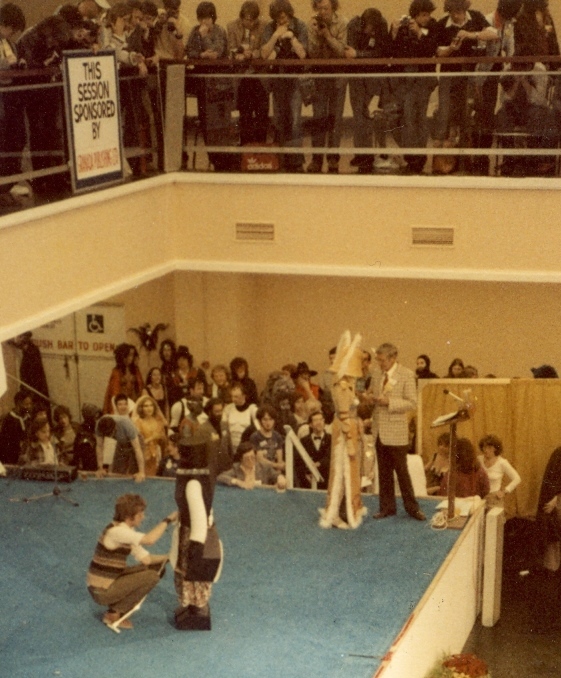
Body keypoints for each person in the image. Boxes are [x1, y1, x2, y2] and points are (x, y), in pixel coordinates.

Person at [87, 493, 177, 629]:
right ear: (129, 517)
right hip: (101, 590)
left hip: (109, 581)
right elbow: (149, 540)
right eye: (140, 514)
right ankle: (113, 615)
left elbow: (147, 560)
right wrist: (168, 520)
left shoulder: (125, 531)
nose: (143, 517)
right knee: (151, 576)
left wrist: (170, 556)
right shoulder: (117, 532)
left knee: (155, 568)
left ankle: (115, 610)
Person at [172, 406, 221, 629]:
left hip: (194, 535)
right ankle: (196, 605)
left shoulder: (192, 483)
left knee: (192, 573)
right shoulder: (202, 477)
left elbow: (199, 519)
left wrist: (195, 548)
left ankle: (197, 607)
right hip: (198, 531)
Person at [433, 0, 498, 162]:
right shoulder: (442, 24)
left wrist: (470, 35)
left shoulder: (476, 17)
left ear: (465, 9)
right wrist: (451, 48)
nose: (456, 16)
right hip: (449, 75)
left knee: (466, 114)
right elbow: (438, 52)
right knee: (445, 113)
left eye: (459, 12)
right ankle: (442, 159)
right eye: (452, 12)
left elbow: (494, 34)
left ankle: (464, 157)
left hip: (470, 75)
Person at [368, 342, 426, 521]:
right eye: (378, 360)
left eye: (383, 360)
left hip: (397, 432)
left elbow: (412, 402)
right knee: (383, 473)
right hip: (379, 430)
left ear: (393, 358)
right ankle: (387, 508)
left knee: (402, 473)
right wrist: (369, 398)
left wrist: (390, 403)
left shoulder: (406, 374)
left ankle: (412, 508)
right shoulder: (376, 373)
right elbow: (372, 393)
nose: (380, 364)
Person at [319, 331, 367, 529]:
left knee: (349, 473)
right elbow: (344, 415)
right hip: (344, 433)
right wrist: (349, 443)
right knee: (340, 472)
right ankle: (336, 513)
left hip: (348, 430)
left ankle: (347, 509)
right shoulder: (341, 387)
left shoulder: (346, 385)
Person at [390, 0, 439, 175]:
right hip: (406, 79)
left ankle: (419, 157)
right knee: (407, 117)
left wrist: (419, 33)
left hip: (423, 79)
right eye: (423, 15)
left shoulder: (433, 26)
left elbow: (430, 49)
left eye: (428, 15)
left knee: (419, 118)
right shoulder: (404, 27)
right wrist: (394, 32)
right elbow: (393, 52)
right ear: (414, 15)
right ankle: (411, 156)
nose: (427, 18)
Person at [261, 0, 308, 173]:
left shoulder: (300, 26)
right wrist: (276, 35)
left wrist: (292, 38)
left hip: (295, 78)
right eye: (279, 18)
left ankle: (295, 160)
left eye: (285, 17)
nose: (282, 21)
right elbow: (264, 54)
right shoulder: (270, 27)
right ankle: (279, 158)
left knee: (295, 119)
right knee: (279, 119)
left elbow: (303, 54)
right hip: (277, 79)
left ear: (290, 14)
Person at [344, 8, 390, 174]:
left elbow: (381, 52)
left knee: (371, 115)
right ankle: (362, 154)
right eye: (369, 27)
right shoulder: (353, 25)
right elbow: (349, 52)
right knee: (358, 115)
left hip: (374, 76)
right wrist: (359, 54)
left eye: (374, 28)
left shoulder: (382, 24)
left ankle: (372, 153)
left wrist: (359, 54)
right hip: (356, 76)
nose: (371, 31)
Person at [306, 0, 348, 175]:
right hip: (319, 76)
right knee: (319, 117)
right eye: (320, 8)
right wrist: (318, 35)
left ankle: (333, 158)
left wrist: (328, 36)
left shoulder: (342, 22)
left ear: (333, 8)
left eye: (326, 8)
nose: (323, 12)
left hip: (338, 76)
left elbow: (342, 51)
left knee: (335, 118)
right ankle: (316, 158)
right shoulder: (311, 24)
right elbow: (312, 53)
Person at [227, 1, 268, 147]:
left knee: (262, 113)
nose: (249, 23)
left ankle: (261, 149)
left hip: (259, 75)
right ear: (241, 17)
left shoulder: (264, 26)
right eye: (246, 19)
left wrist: (253, 54)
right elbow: (230, 49)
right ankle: (245, 148)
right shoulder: (232, 26)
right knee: (244, 114)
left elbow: (265, 49)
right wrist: (238, 54)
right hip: (241, 76)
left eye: (252, 20)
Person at [0, 3, 26, 211]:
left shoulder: (10, 44)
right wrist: (7, 64)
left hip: (11, 99)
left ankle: (7, 186)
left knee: (16, 139)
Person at [217, 440, 286, 489]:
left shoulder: (264, 467)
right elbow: (220, 477)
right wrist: (237, 482)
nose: (250, 461)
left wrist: (280, 478)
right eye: (247, 459)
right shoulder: (236, 468)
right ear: (241, 459)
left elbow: (277, 475)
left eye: (252, 457)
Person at [95, 413, 145, 480]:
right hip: (120, 442)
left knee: (136, 473)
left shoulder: (126, 424)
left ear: (115, 427)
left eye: (110, 434)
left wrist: (141, 472)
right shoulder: (99, 426)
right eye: (107, 435)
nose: (109, 436)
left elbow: (137, 449)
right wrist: (100, 468)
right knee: (117, 472)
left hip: (135, 441)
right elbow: (99, 446)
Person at [477, 433, 521, 501]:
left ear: (495, 449)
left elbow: (517, 479)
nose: (486, 450)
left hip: (494, 498)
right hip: (478, 498)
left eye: (489, 448)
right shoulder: (478, 460)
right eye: (484, 447)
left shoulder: (502, 462)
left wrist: (505, 491)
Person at [103, 343, 144, 414]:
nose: (131, 357)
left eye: (133, 355)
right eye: (129, 355)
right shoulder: (116, 371)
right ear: (123, 356)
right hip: (122, 404)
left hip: (135, 402)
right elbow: (114, 393)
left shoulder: (136, 370)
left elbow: (141, 387)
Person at [132, 394, 168, 476]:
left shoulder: (159, 422)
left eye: (151, 405)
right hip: (144, 456)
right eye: (146, 406)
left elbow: (164, 442)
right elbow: (137, 444)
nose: (149, 408)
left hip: (157, 455)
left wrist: (162, 438)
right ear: (141, 408)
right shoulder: (138, 423)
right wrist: (152, 438)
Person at [221, 383, 258, 457]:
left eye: (236, 397)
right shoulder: (228, 409)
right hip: (231, 448)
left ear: (244, 396)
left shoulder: (253, 409)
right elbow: (223, 427)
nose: (233, 399)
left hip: (247, 449)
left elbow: (258, 429)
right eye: (232, 396)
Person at [296, 410, 331, 489]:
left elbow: (330, 457)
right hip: (308, 481)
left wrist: (317, 464)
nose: (319, 422)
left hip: (327, 481)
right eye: (315, 420)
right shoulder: (304, 441)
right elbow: (299, 461)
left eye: (321, 419)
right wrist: (305, 475)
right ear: (310, 424)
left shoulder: (331, 439)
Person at [0, 389, 33, 465]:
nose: (29, 407)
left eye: (30, 404)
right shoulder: (9, 419)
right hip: (10, 458)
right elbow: (5, 443)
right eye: (26, 404)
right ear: (18, 403)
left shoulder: (28, 418)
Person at [250, 404, 285, 471]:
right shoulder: (255, 437)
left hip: (274, 471)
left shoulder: (277, 436)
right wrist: (277, 465)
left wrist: (278, 469)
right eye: (265, 419)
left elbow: (279, 459)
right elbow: (260, 460)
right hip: (260, 471)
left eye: (271, 419)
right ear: (259, 421)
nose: (268, 423)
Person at [72, 402, 101, 471]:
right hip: (90, 467)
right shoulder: (82, 432)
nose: (98, 419)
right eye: (96, 417)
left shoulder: (97, 428)